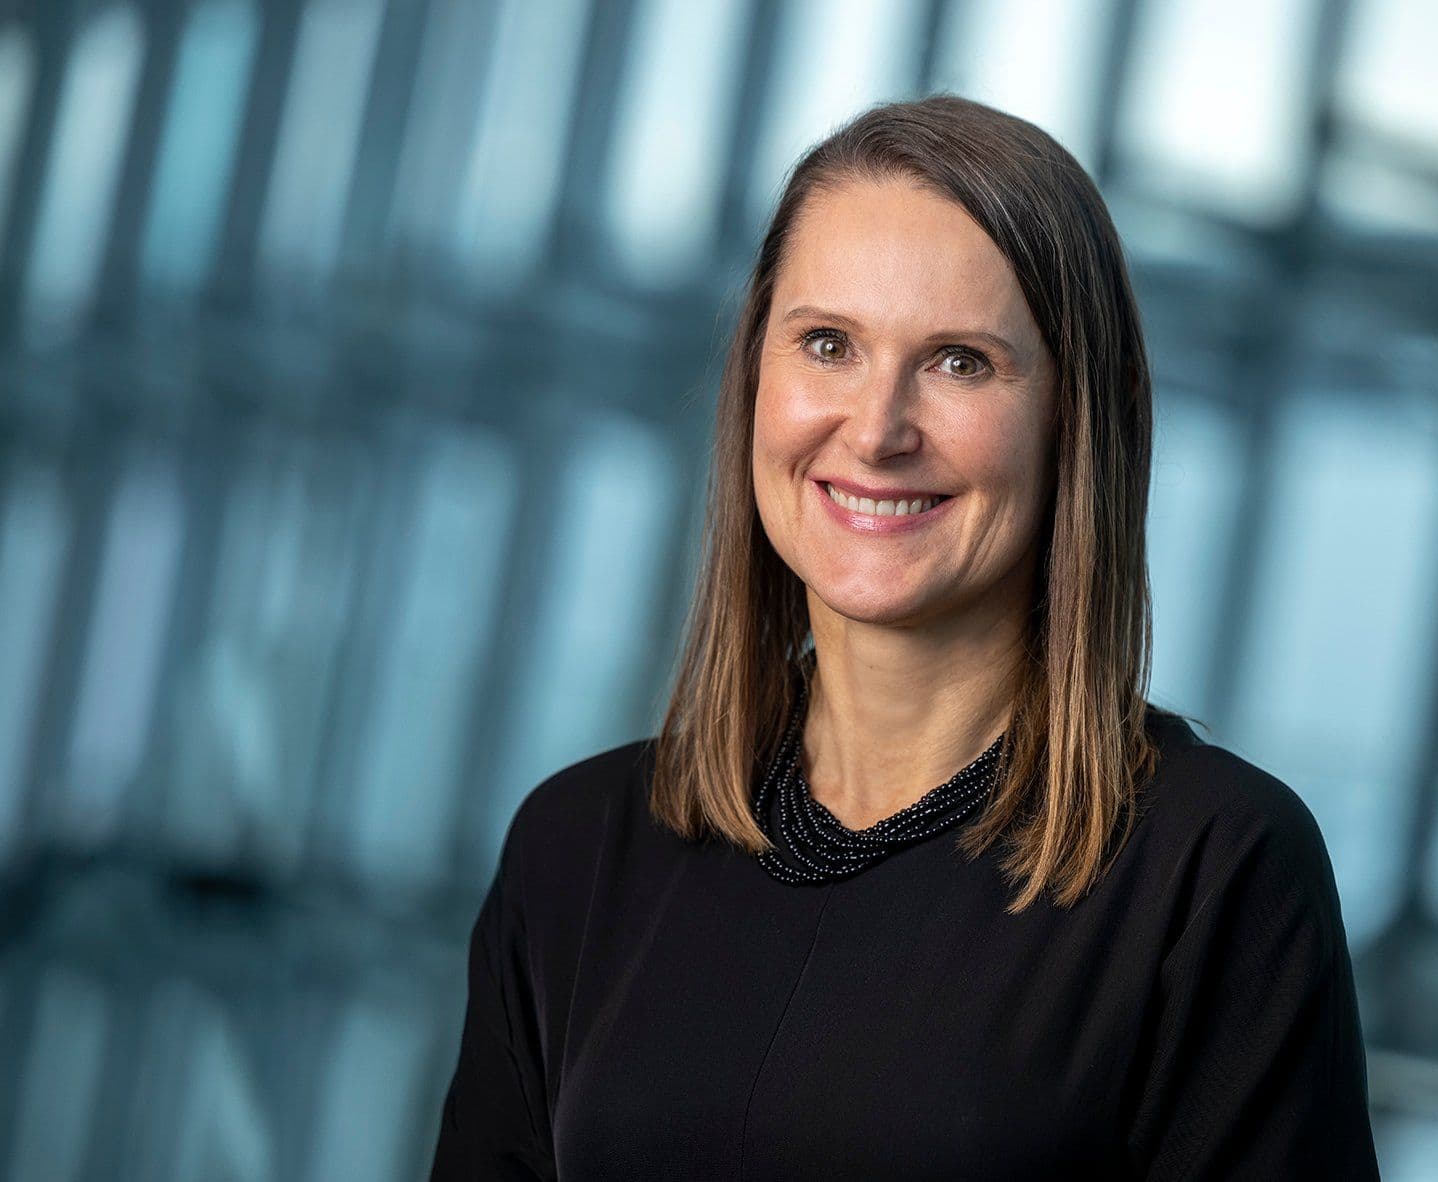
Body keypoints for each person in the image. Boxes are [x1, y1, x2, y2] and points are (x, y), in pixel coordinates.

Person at [429, 94, 1381, 1180]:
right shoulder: (577, 847)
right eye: (827, 344)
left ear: (1079, 417)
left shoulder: (1213, 868)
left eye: (960, 362)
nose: (876, 430)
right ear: (754, 379)